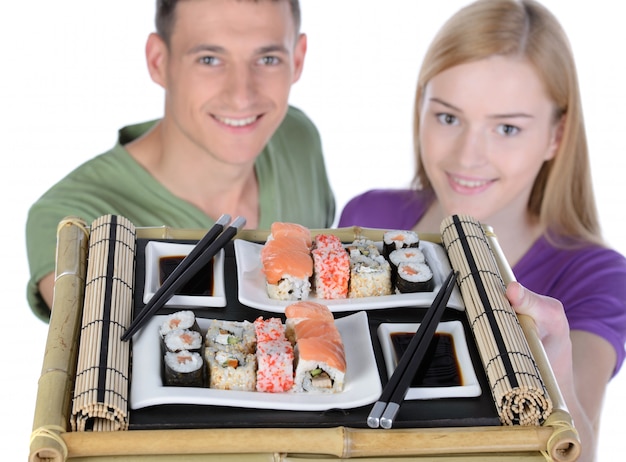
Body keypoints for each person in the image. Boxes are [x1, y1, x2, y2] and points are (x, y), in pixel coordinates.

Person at [338, 0, 626, 460]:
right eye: (448, 118)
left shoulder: (596, 274)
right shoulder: (368, 214)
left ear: (556, 135)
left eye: (507, 128)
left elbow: (578, 451)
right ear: (421, 109)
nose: (468, 156)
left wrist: (557, 371)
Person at [26, 0, 335, 322]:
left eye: (268, 58)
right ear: (159, 61)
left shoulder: (298, 138)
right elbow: (95, 350)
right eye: (210, 59)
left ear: (298, 59)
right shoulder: (70, 221)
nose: (242, 95)